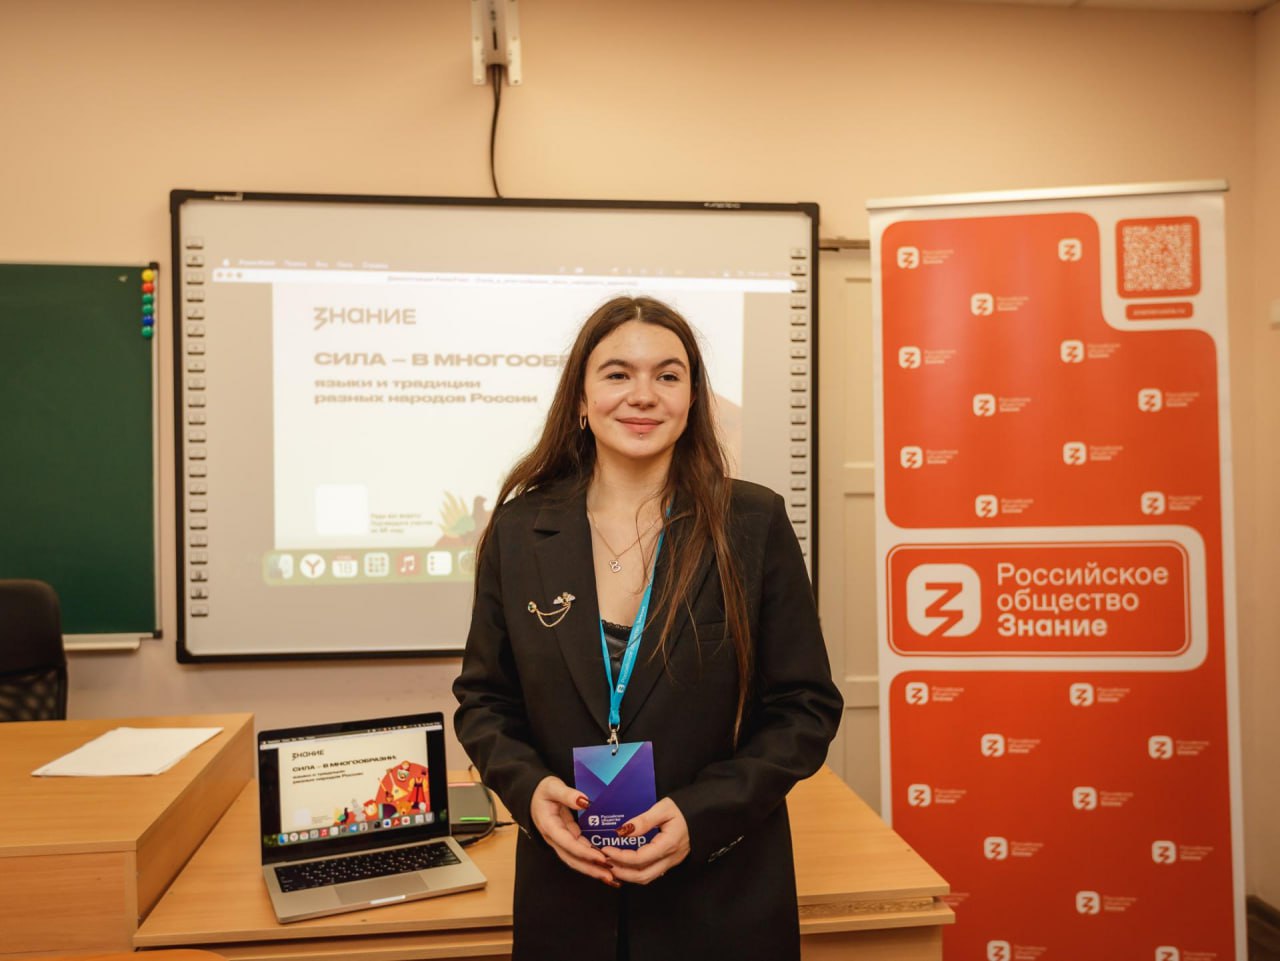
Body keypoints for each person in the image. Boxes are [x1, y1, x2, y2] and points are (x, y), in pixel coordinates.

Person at [452, 296, 843, 961]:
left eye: (667, 375)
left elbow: (805, 708)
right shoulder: (520, 531)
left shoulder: (752, 524)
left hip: (722, 901)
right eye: (617, 374)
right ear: (581, 399)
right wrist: (529, 791)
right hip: (568, 898)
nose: (643, 395)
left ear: (692, 399)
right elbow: (485, 701)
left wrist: (701, 813)